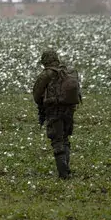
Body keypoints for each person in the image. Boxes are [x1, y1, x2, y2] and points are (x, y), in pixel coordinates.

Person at [33, 49, 82, 179]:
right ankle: (66, 169)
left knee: (57, 140)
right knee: (65, 138)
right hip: (69, 110)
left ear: (45, 61)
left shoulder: (47, 74)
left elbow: (37, 94)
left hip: (54, 110)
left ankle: (63, 174)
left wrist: (43, 105)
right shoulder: (68, 72)